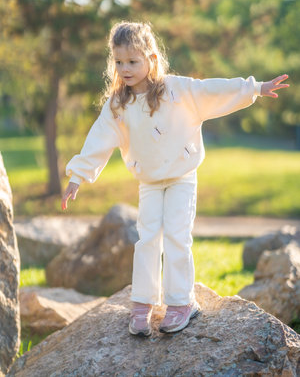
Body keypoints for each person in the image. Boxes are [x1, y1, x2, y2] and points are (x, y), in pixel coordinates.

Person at [61, 21, 289, 337]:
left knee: (177, 236)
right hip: (150, 182)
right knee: (148, 238)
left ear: (151, 59)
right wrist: (77, 176)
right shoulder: (118, 104)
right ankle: (143, 303)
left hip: (182, 177)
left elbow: (211, 89)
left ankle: (182, 302)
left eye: (132, 61)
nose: (125, 69)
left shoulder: (176, 89)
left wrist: (254, 88)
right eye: (119, 62)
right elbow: (99, 138)